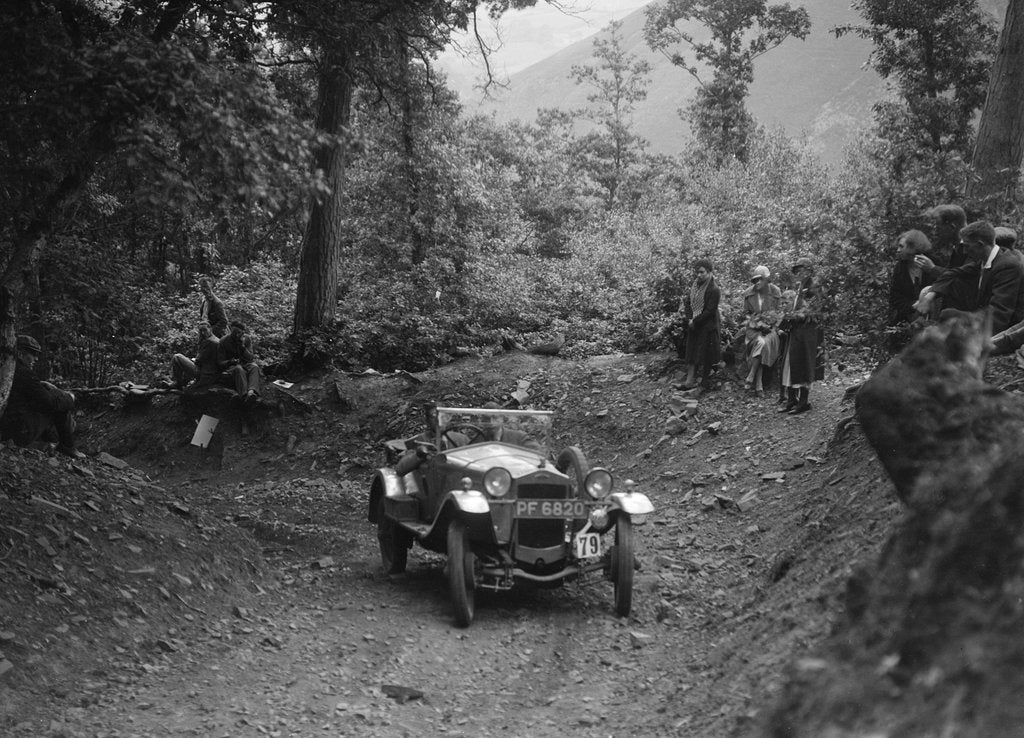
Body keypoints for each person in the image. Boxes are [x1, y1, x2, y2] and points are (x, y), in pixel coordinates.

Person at [915, 220, 1024, 335]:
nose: (965, 251)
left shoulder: (1007, 265)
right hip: (984, 318)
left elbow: (999, 314)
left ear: (980, 244)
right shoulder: (985, 259)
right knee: (945, 314)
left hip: (1008, 329)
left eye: (967, 246)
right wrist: (929, 297)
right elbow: (951, 274)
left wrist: (968, 335)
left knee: (946, 320)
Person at [0, 335, 83, 457]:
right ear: (21, 353)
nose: (36, 358)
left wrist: (41, 385)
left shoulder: (8, 369)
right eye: (33, 354)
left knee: (51, 397)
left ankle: (51, 443)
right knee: (58, 403)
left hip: (8, 426)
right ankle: (67, 446)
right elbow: (50, 403)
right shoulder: (23, 373)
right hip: (17, 431)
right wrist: (70, 397)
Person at [778, 258, 825, 415]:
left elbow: (813, 311)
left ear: (809, 270)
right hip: (797, 332)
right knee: (790, 365)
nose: (799, 273)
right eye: (797, 271)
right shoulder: (800, 287)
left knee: (804, 364)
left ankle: (803, 402)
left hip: (807, 332)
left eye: (802, 270)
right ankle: (792, 400)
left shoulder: (813, 288)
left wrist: (795, 316)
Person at [679, 258, 721, 390]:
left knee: (706, 354)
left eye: (702, 272)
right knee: (692, 352)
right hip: (694, 324)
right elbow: (687, 303)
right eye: (697, 272)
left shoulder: (714, 289)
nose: (699, 275)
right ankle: (689, 381)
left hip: (708, 325)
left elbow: (710, 311)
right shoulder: (694, 287)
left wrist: (694, 321)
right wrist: (689, 319)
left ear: (709, 272)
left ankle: (704, 382)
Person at [740, 265, 782, 393]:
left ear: (767, 279)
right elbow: (745, 314)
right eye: (754, 280)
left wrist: (771, 326)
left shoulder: (775, 292)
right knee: (760, 342)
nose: (757, 282)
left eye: (760, 279)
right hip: (753, 329)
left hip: (771, 330)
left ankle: (753, 377)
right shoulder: (748, 294)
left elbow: (780, 313)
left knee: (762, 342)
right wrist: (756, 323)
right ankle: (757, 382)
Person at [887, 230, 935, 326]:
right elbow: (895, 298)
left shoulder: (933, 262)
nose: (898, 250)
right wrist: (914, 305)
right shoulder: (900, 268)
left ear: (913, 247)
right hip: (906, 319)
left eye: (901, 246)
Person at [168, 323, 221, 392]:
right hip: (211, 371)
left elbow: (198, 361)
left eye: (205, 330)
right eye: (201, 331)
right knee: (188, 360)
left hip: (204, 373)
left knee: (177, 357)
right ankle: (183, 382)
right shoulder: (217, 339)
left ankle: (178, 384)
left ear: (210, 328)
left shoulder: (209, 342)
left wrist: (193, 360)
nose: (203, 333)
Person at [217, 321, 261, 401]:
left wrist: (243, 348)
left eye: (240, 333)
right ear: (231, 331)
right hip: (231, 368)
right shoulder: (223, 341)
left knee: (254, 366)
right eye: (235, 333)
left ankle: (251, 392)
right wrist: (230, 362)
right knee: (238, 368)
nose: (237, 335)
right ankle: (244, 395)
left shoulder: (246, 339)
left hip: (245, 363)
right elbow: (220, 362)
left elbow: (251, 358)